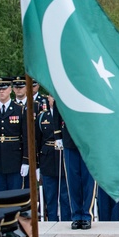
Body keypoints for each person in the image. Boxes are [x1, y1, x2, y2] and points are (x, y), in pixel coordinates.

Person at [36, 95, 71, 223]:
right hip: (48, 158)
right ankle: (51, 220)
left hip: (62, 157)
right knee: (50, 195)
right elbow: (37, 141)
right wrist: (37, 164)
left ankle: (66, 219)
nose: (53, 100)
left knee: (65, 195)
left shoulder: (64, 113)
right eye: (51, 97)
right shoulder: (41, 117)